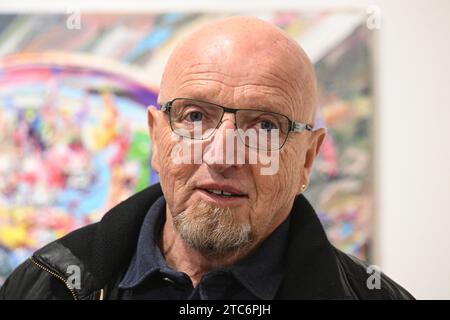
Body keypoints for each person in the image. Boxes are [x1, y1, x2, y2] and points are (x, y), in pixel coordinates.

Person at [0, 16, 413, 300]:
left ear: (307, 158)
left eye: (265, 126)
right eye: (195, 116)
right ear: (157, 136)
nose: (221, 155)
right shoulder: (46, 284)